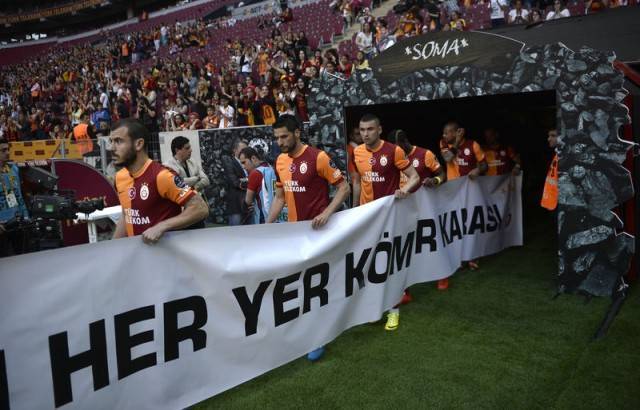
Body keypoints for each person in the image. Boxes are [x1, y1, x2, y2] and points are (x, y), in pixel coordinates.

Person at [266, 115, 350, 361]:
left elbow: (344, 187)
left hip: (318, 234)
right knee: (300, 284)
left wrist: (327, 213)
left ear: (297, 133)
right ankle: (308, 331)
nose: (280, 142)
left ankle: (320, 336)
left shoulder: (318, 157)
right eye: (276, 138)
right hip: (294, 235)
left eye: (284, 136)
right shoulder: (280, 161)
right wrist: (266, 225)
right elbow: (280, 197)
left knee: (317, 284)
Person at [351, 114, 420, 331]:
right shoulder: (357, 152)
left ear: (379, 130)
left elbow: (415, 177)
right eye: (362, 130)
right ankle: (374, 308)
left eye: (370, 129)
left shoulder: (393, 151)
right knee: (369, 264)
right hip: (367, 217)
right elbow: (357, 183)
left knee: (389, 265)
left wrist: (404, 190)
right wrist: (353, 211)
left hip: (389, 217)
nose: (365, 134)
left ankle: (393, 311)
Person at [110, 119, 209, 243]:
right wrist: (113, 245)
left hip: (165, 253)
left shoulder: (161, 176)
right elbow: (127, 215)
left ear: (139, 144)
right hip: (138, 253)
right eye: (111, 141)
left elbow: (200, 208)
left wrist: (162, 226)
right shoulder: (120, 177)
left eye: (118, 141)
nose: (111, 148)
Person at [439, 121, 488, 276]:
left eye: (447, 132)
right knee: (456, 224)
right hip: (453, 192)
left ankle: (473, 256)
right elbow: (448, 158)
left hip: (471, 190)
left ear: (456, 132)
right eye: (444, 132)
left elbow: (484, 165)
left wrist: (478, 170)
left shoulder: (473, 145)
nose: (444, 135)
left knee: (472, 223)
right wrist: (457, 142)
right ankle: (459, 258)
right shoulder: (444, 144)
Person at [0, 138, 29, 257]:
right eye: (3, 150)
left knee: (21, 257)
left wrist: (25, 216)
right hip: (2, 226)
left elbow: (19, 195)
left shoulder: (14, 169)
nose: (7, 152)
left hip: (17, 222)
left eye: (8, 149)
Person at [239, 146, 278, 224]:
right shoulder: (271, 168)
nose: (243, 167)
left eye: (244, 162)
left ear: (253, 158)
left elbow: (248, 201)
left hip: (264, 217)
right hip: (277, 214)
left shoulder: (255, 173)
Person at [164, 135, 210, 200]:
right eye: (187, 148)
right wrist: (197, 178)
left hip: (198, 201)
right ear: (177, 150)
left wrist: (193, 189)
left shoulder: (192, 162)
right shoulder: (168, 166)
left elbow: (206, 180)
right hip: (182, 204)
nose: (191, 150)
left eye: (190, 147)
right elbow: (178, 185)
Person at [223, 139, 248, 225]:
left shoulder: (248, 162)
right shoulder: (229, 162)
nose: (244, 152)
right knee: (235, 229)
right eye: (242, 150)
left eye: (246, 150)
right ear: (235, 150)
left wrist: (244, 180)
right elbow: (235, 182)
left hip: (248, 203)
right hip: (236, 204)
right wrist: (250, 183)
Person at [541, 129, 558, 210]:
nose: (549, 139)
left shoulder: (566, 156)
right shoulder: (557, 154)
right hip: (551, 203)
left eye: (553, 136)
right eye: (549, 136)